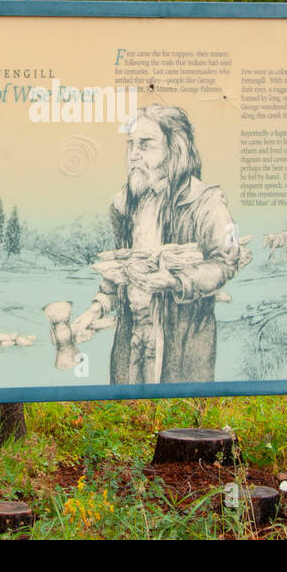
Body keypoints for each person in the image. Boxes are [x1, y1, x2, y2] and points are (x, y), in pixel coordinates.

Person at [86, 105, 244, 384]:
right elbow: (119, 273)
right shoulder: (123, 205)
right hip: (132, 339)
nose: (134, 154)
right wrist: (96, 308)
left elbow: (225, 263)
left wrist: (174, 281)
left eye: (145, 145)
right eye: (131, 145)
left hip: (181, 342)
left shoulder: (207, 201)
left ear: (173, 150)